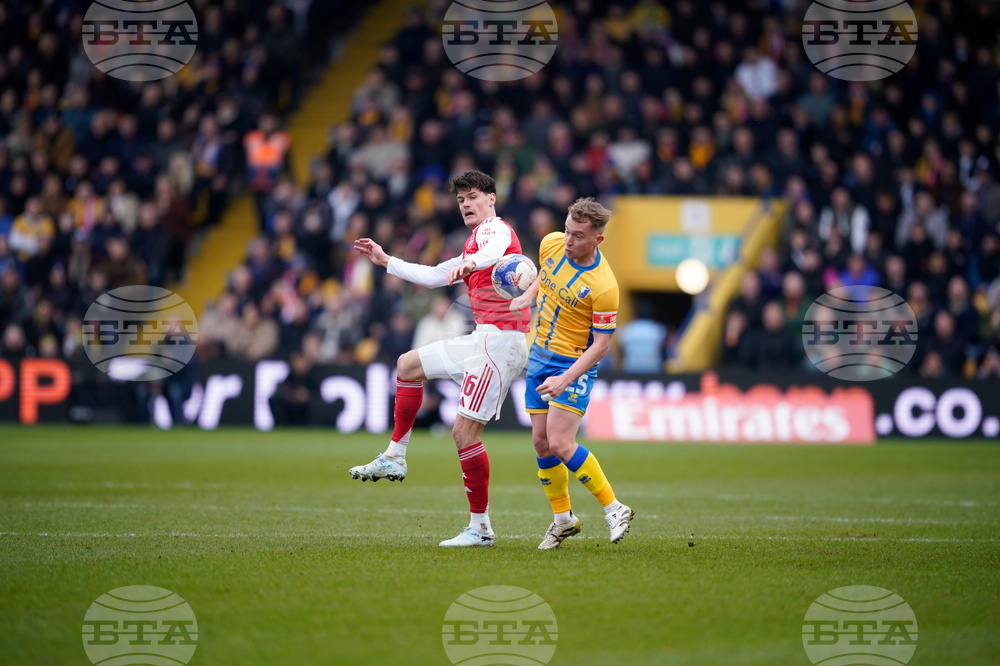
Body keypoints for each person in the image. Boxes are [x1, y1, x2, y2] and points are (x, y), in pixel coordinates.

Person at [349, 170, 530, 547]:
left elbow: (495, 253)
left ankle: (480, 529)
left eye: (473, 196)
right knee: (407, 365)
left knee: (464, 434)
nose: (466, 203)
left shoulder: (495, 231)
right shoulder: (472, 245)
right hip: (482, 338)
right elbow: (433, 276)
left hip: (500, 343)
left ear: (491, 199)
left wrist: (475, 263)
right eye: (461, 199)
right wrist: (386, 261)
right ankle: (395, 455)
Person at [509, 198, 634, 549]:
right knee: (541, 442)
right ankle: (563, 520)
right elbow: (547, 276)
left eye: (578, 236)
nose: (568, 240)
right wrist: (528, 296)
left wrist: (566, 378)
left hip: (573, 363)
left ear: (598, 239)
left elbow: (602, 345)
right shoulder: (551, 243)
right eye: (567, 230)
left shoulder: (604, 287)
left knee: (562, 443)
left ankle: (614, 508)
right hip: (539, 356)